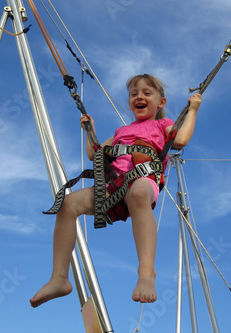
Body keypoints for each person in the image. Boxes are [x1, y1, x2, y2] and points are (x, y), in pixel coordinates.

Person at [30, 74, 201, 307]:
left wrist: (193, 110)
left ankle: (146, 273)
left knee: (139, 194)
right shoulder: (121, 131)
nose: (139, 96)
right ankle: (59, 277)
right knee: (68, 204)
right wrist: (89, 131)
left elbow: (180, 139)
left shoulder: (162, 124)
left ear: (160, 103)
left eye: (146, 93)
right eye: (134, 94)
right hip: (114, 186)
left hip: (143, 179)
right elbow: (95, 154)